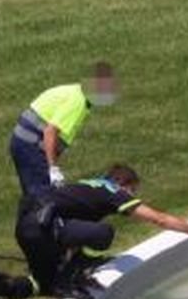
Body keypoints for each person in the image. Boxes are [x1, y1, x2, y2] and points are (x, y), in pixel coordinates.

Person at [0, 164, 188, 299]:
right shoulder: (113, 192)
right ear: (123, 184)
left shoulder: (85, 186)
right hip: (45, 229)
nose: (132, 197)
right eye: (132, 191)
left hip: (26, 227)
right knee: (105, 233)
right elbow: (159, 219)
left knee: (42, 285)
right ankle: (74, 271)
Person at [8, 62, 117, 200]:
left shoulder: (74, 91)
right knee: (43, 198)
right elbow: (50, 132)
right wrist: (53, 169)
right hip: (31, 147)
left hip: (23, 142)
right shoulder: (78, 102)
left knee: (34, 194)